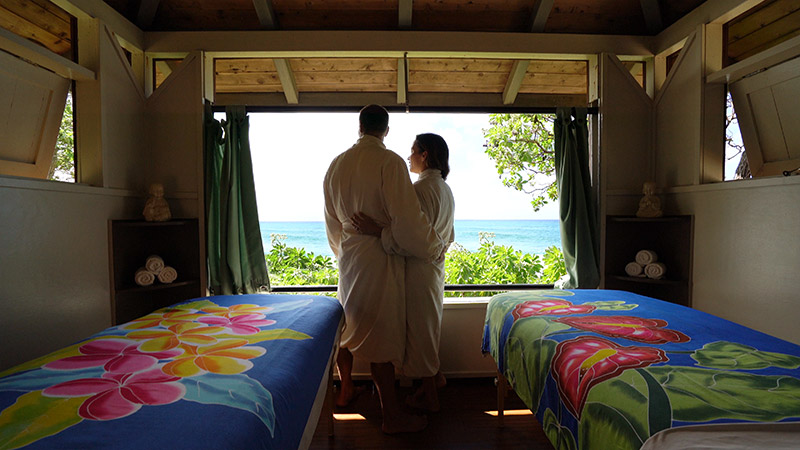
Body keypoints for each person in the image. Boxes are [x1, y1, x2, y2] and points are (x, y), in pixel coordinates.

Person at [323, 105, 446, 434]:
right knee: (381, 335)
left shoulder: (336, 165)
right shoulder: (390, 162)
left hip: (350, 257)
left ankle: (345, 388)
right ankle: (391, 416)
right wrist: (432, 247)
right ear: (386, 130)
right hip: (379, 257)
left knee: (349, 325)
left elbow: (332, 224)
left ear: (360, 126)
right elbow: (407, 220)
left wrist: (344, 250)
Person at [352, 133, 455, 413]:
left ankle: (431, 398)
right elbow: (445, 237)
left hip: (418, 272)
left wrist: (377, 231)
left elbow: (411, 237)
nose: (409, 156)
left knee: (420, 334)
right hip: (433, 271)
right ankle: (433, 382)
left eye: (412, 151)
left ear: (424, 155)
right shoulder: (444, 190)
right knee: (428, 329)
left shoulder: (420, 191)